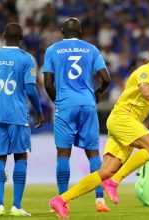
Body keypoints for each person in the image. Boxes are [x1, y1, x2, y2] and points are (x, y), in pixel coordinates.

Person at [49, 38, 149, 219]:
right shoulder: (145, 71)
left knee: (106, 171)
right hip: (121, 117)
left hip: (131, 125)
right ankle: (115, 182)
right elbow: (147, 94)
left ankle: (61, 200)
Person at [43, 17, 111, 212]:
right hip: (87, 103)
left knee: (63, 154)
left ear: (62, 31)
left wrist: (58, 101)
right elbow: (106, 78)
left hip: (66, 105)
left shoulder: (53, 50)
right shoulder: (91, 49)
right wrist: (97, 94)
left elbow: (48, 83)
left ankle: (62, 201)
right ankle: (100, 200)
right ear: (80, 32)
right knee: (93, 154)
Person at [0, 23, 44, 217]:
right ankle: (16, 206)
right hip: (18, 116)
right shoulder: (27, 59)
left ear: (2, 36)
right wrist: (40, 111)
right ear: (21, 38)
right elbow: (31, 89)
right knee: (20, 157)